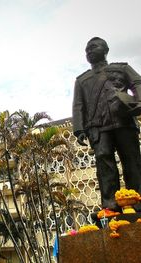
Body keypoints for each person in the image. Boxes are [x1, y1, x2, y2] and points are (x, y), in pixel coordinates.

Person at [72, 37, 141, 211]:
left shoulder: (121, 68)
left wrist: (138, 102)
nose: (89, 51)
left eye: (93, 47)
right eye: (87, 49)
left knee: (132, 161)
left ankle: (137, 200)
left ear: (105, 49)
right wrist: (79, 129)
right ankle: (110, 205)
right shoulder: (82, 80)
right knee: (104, 165)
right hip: (98, 128)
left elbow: (137, 83)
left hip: (123, 122)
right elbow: (78, 105)